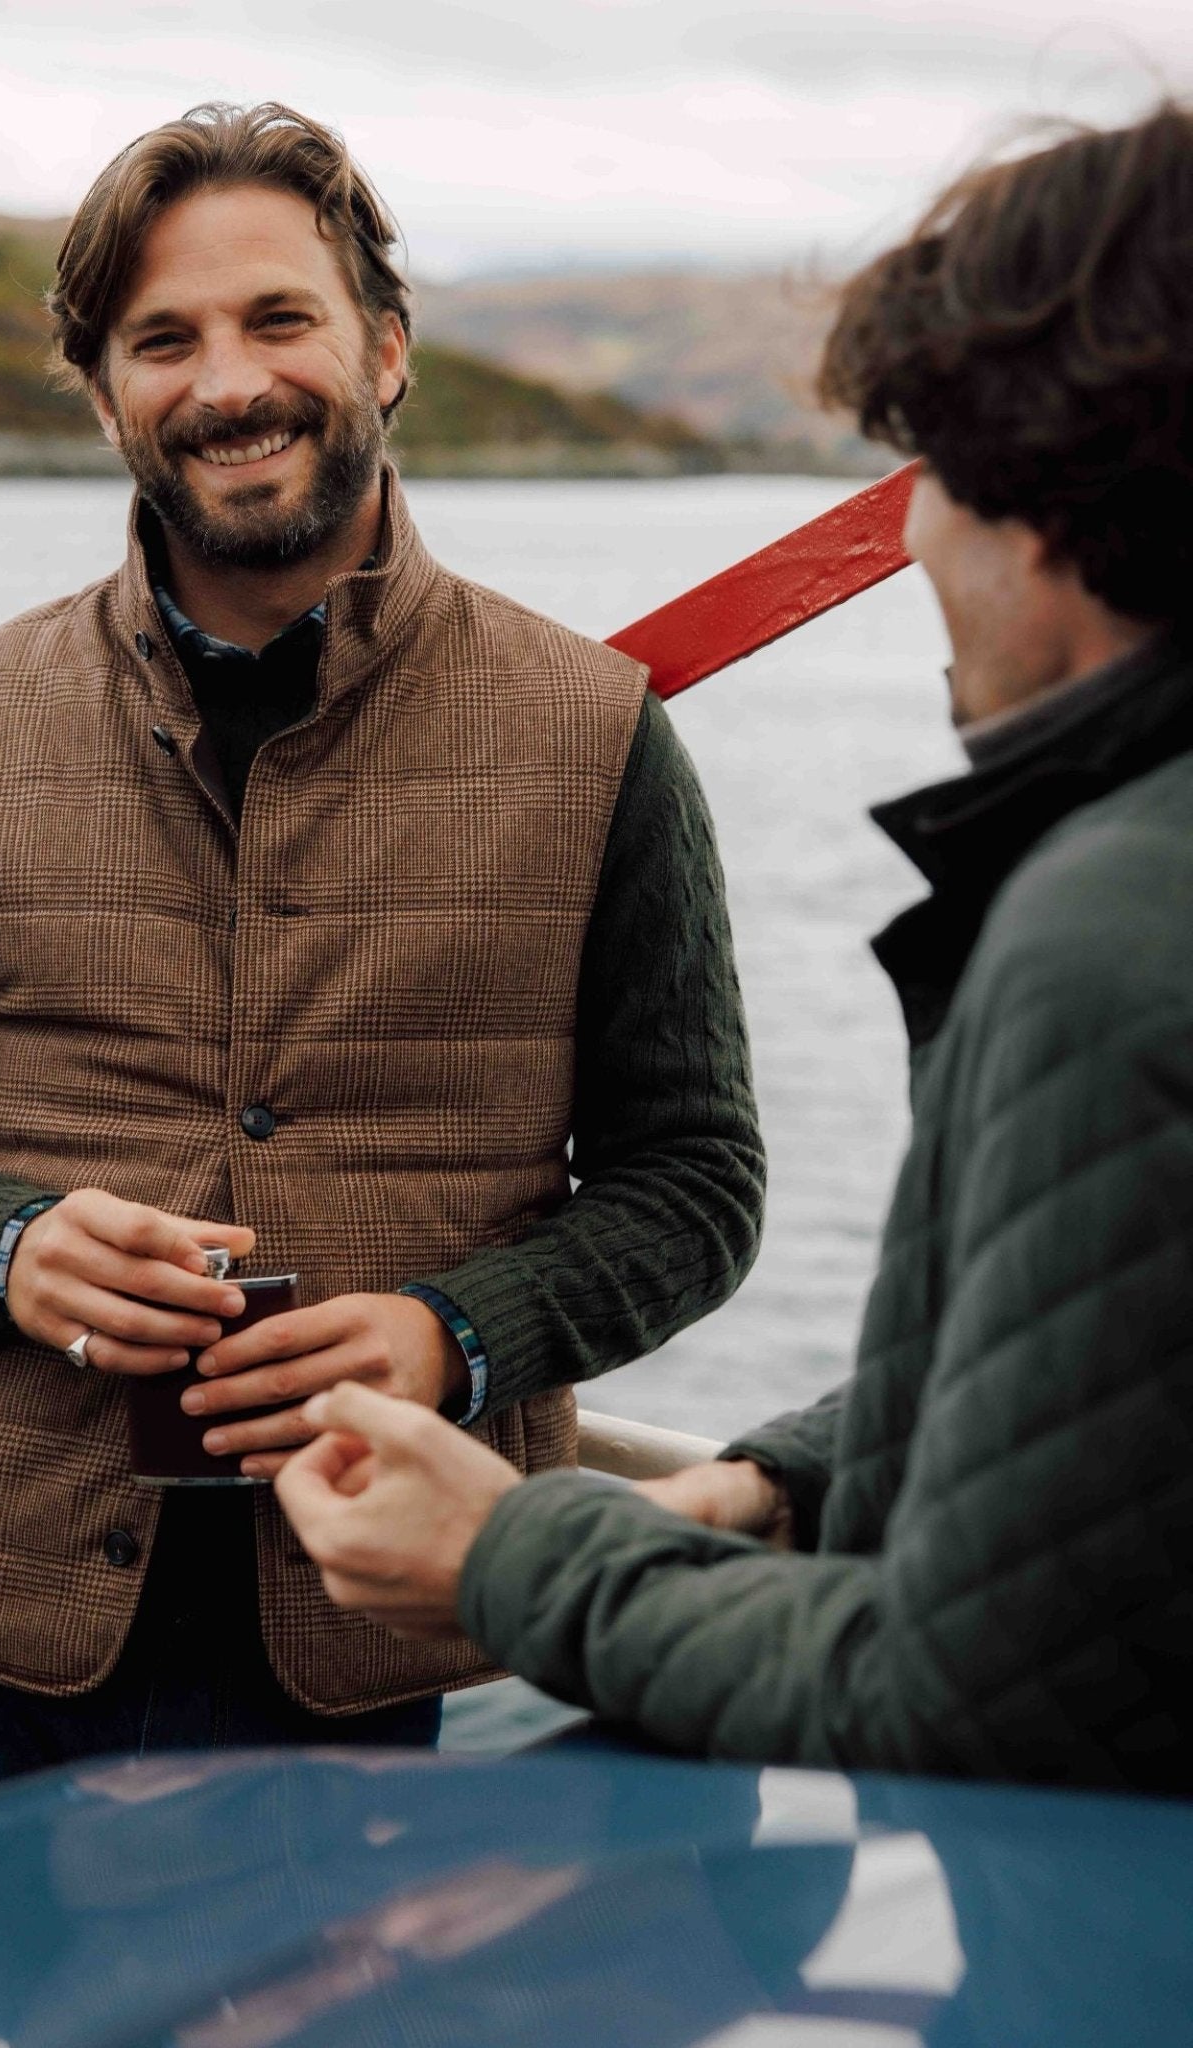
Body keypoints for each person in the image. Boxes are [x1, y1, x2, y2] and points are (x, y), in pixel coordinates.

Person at [0, 101, 764, 1821]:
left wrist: (454, 1336)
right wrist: (6, 1251)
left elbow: (697, 1184)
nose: (229, 384)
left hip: (405, 1631)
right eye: (164, 341)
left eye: (279, 318)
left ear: (385, 347)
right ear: (104, 394)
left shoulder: (597, 734)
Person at [277, 103, 1193, 1796]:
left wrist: (510, 1553)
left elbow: (964, 1696)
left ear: (1047, 516)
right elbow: (1124, 1381)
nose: (911, 542)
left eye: (930, 482)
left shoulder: (1110, 936)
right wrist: (793, 1482)